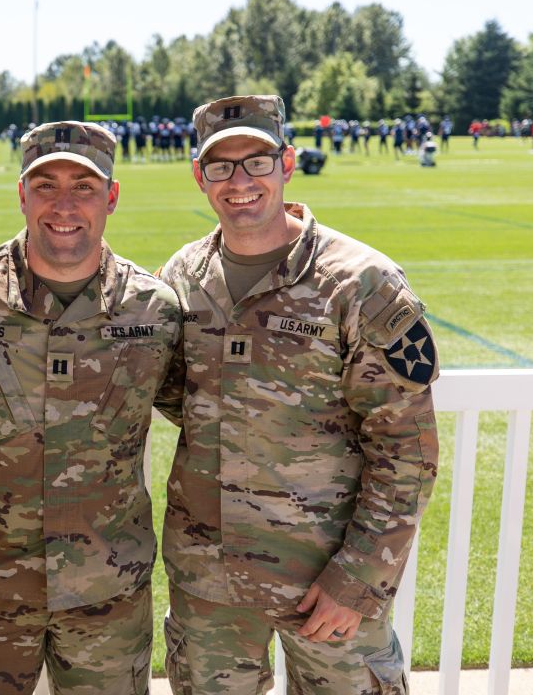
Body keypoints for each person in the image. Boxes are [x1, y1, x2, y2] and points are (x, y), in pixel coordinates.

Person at [156, 95, 439, 693]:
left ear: (287, 164)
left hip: (324, 580)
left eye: (257, 162)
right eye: (220, 166)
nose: (240, 182)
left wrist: (358, 578)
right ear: (199, 177)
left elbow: (406, 451)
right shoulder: (182, 277)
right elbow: (177, 393)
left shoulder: (361, 282)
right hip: (209, 584)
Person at [0, 121, 182, 695]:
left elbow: (224, 413)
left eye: (85, 186)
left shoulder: (156, 312)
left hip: (108, 596)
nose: (64, 205)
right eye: (45, 185)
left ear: (112, 197)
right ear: (22, 195)